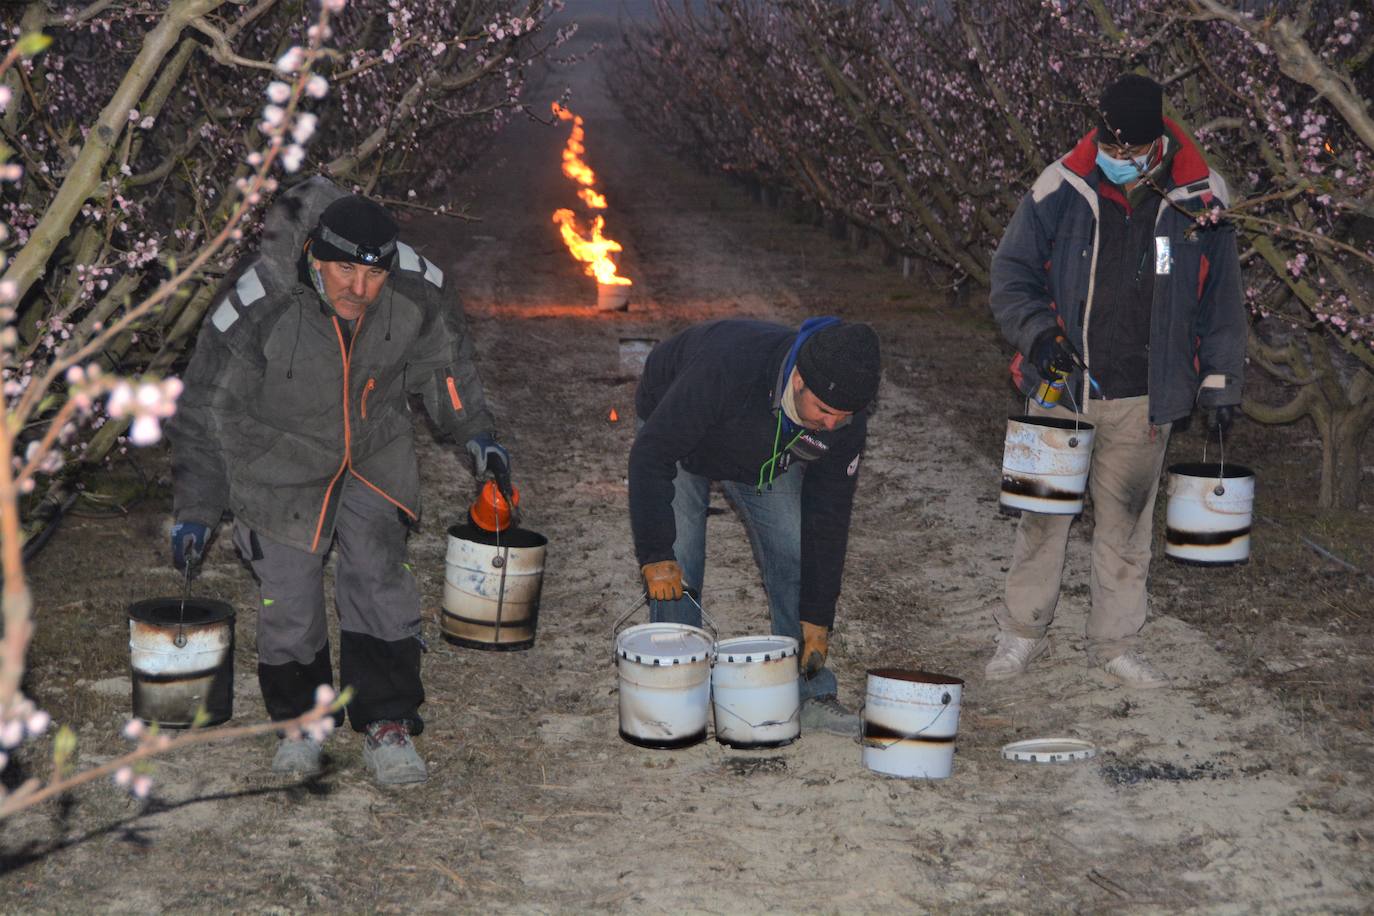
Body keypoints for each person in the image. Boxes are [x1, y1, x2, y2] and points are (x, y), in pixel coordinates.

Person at [167, 178, 511, 783]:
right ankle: (301, 723)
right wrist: (197, 505)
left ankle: (387, 720)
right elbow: (207, 409)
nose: (361, 289)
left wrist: (475, 433)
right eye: (346, 273)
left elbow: (446, 369)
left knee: (380, 578)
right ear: (314, 259)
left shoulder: (415, 290)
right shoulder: (259, 302)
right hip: (278, 460)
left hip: (373, 451)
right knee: (290, 593)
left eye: (374, 275)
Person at [986, 73, 1245, 688]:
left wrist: (1219, 383)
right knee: (1040, 519)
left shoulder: (1200, 197)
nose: (1119, 158)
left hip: (1144, 395)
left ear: (1158, 143)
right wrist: (1039, 335)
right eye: (1111, 144)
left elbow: (1221, 300)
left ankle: (1114, 642)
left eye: (1132, 150)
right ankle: (1019, 633)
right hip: (1058, 386)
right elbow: (1011, 272)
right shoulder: (1061, 185)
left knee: (1126, 529)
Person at [629, 317, 881, 735]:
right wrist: (656, 553)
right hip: (679, 434)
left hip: (760, 450)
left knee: (792, 546)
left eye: (845, 416)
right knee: (681, 564)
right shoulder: (726, 369)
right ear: (798, 379)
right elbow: (650, 456)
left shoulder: (840, 423)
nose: (833, 424)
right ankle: (674, 696)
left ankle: (808, 692)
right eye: (824, 410)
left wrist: (818, 615)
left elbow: (829, 516)